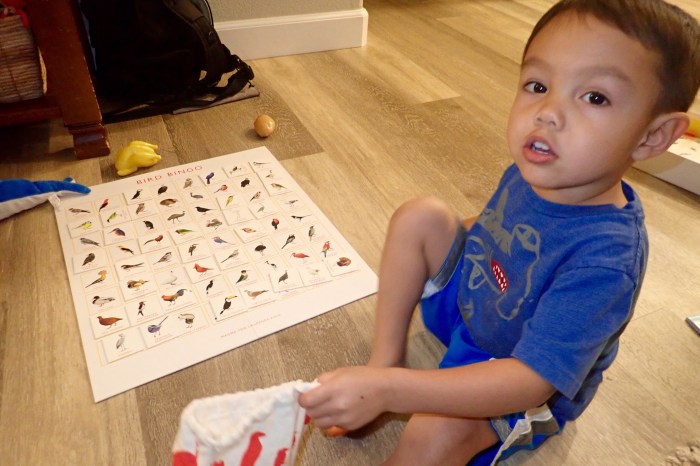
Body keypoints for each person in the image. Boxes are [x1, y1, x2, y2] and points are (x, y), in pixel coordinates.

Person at [299, 0, 700, 465]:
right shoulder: (537, 170)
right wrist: (386, 380)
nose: (547, 112)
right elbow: (492, 227)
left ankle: (388, 385)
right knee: (420, 215)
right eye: (538, 85)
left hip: (514, 378)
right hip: (475, 306)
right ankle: (383, 363)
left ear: (652, 136)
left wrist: (394, 393)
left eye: (595, 97)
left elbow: (531, 381)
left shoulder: (608, 261)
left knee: (433, 433)